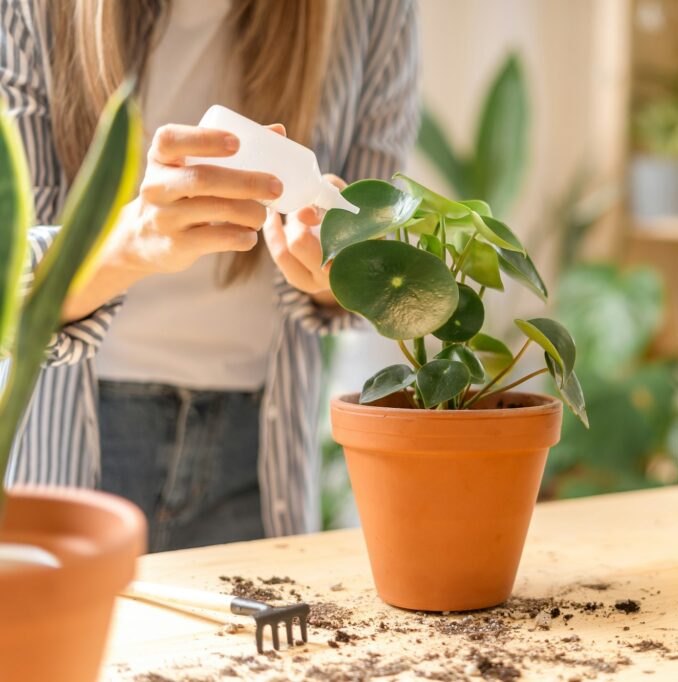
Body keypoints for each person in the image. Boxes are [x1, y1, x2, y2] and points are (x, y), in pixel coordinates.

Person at [0, 0, 418, 550]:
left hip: (259, 446)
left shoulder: (370, 11)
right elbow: (12, 281)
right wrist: (131, 243)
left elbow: (376, 259)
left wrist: (334, 279)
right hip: (78, 436)